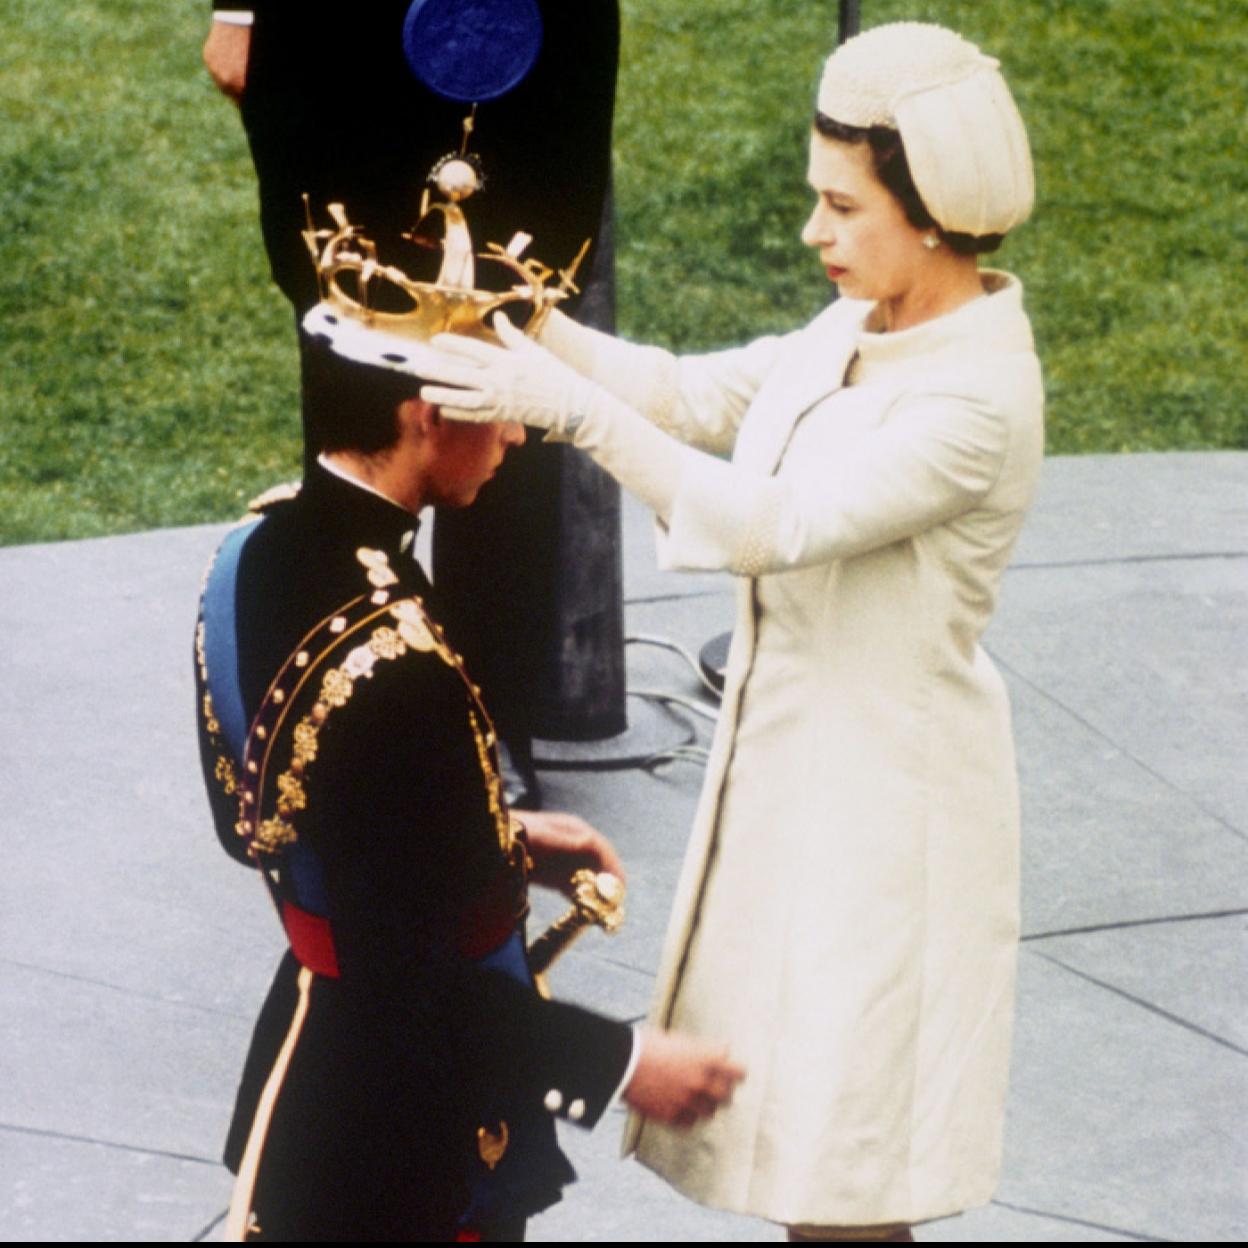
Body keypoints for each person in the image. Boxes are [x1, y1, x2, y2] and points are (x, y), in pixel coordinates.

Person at [414, 21, 1044, 1242]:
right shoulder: (858, 325)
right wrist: (524, 317)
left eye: (842, 207)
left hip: (892, 821)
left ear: (931, 215)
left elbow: (775, 524)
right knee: (806, 1163)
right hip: (796, 785)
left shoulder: (979, 397)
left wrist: (565, 411)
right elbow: (689, 392)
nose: (813, 232)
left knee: (848, 1173)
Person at [193, 339, 744, 1241]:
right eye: (502, 406)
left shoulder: (253, 550)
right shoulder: (400, 665)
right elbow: (412, 991)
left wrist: (497, 838)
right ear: (428, 415)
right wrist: (621, 1062)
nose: (518, 435)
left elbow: (282, 825)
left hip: (311, 1076)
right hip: (405, 1139)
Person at [202, 0, 625, 806]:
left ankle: (488, 719)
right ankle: (335, 699)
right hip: (343, 33)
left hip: (535, 31)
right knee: (351, 330)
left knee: (511, 329)